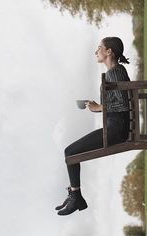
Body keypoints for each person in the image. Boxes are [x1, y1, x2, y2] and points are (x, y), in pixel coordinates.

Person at [55, 37, 131, 216]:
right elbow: (119, 103)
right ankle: (75, 195)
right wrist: (97, 107)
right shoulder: (115, 72)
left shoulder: (115, 72)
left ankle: (76, 197)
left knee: (70, 152)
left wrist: (99, 107)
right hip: (115, 127)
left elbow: (123, 104)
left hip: (116, 130)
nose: (96, 52)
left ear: (109, 52)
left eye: (99, 48)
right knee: (70, 152)